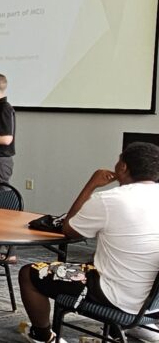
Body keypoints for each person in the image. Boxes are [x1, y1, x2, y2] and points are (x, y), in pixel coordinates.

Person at [18, 142, 159, 343]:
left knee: (29, 274)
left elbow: (69, 228)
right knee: (100, 260)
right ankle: (141, 325)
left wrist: (91, 184)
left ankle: (43, 336)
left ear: (123, 167)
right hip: (154, 301)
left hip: (117, 296)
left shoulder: (109, 199)